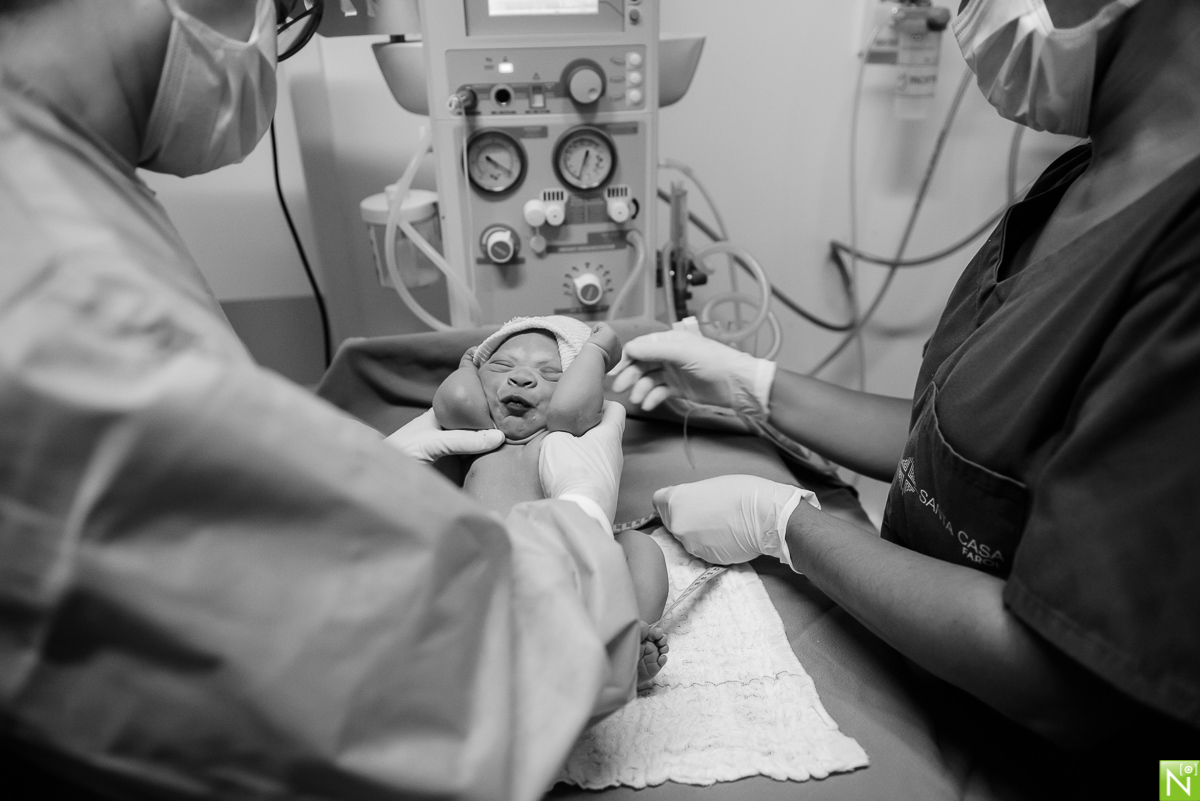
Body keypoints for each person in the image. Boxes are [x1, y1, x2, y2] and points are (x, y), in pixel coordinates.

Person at [0, 1, 641, 799]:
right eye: (291, 14)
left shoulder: (62, 183)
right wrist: (581, 512)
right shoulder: (59, 297)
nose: (278, 38)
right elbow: (474, 688)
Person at [613, 0, 1200, 779]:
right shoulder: (1080, 176)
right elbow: (965, 458)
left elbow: (1065, 677)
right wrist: (751, 384)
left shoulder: (1178, 250)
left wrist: (790, 523)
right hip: (925, 689)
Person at [430, 316, 670, 686]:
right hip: (492, 580)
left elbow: (572, 408)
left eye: (552, 373)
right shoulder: (476, 440)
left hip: (576, 576)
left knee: (641, 547)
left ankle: (621, 641)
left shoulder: (566, 436)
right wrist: (467, 366)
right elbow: (455, 401)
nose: (522, 378)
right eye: (502, 365)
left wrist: (596, 352)